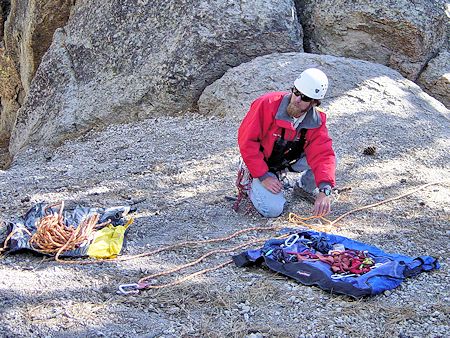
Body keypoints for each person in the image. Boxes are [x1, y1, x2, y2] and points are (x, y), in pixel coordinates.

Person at [236, 68, 336, 218]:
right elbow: (247, 141)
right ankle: (249, 183)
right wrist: (263, 176)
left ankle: (303, 188)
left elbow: (323, 155)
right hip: (261, 164)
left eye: (305, 98)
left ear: (314, 102)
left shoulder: (316, 121)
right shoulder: (266, 104)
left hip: (286, 161)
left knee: (332, 159)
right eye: (296, 92)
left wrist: (325, 190)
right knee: (273, 210)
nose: (297, 99)